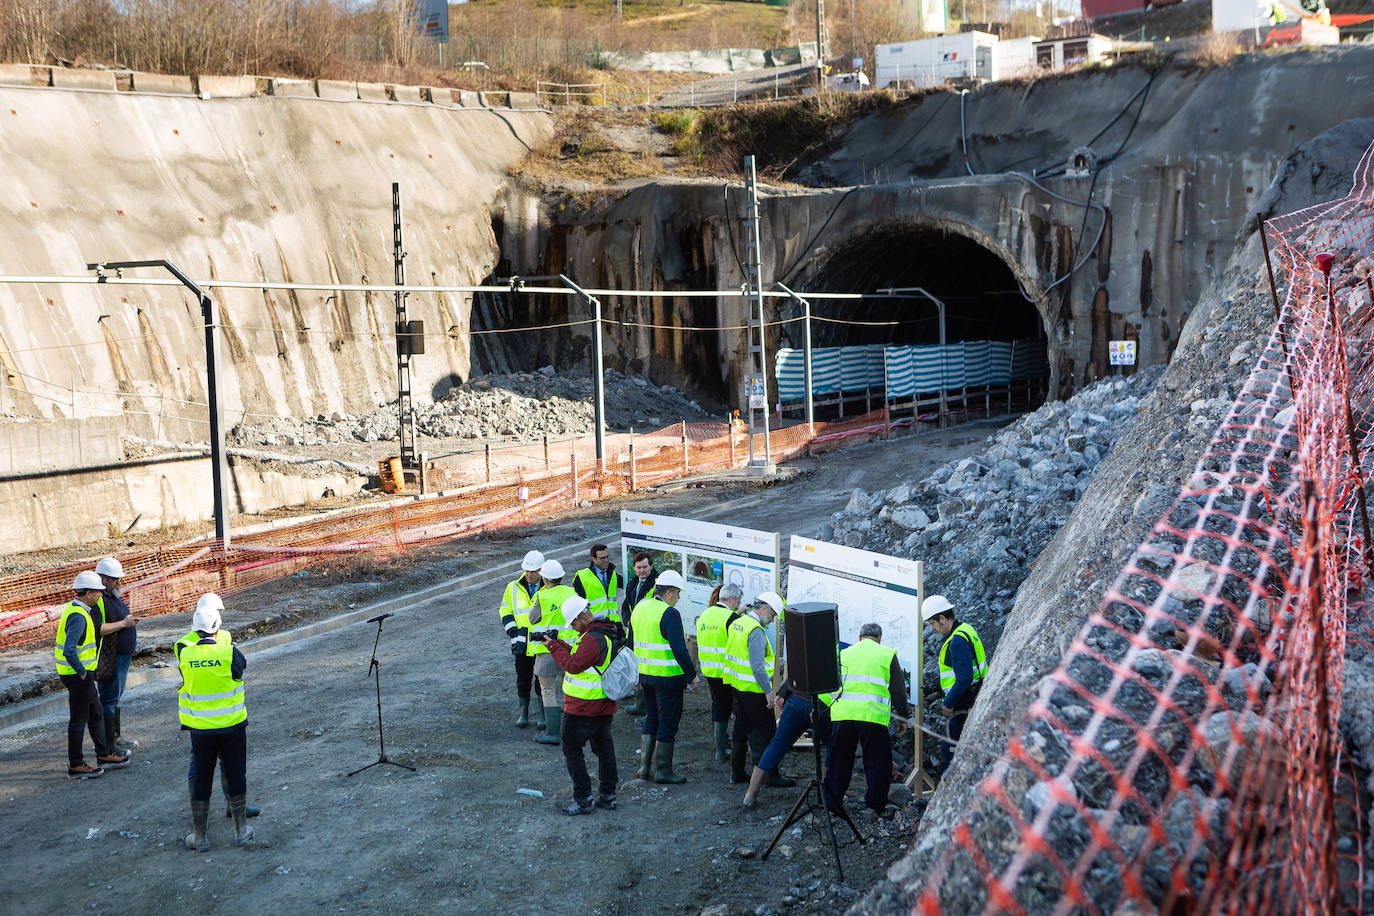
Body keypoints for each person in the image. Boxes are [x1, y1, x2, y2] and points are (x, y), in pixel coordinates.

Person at [176, 593, 253, 850]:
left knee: (200, 777)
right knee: (235, 773)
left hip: (201, 729)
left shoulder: (185, 654)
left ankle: (200, 838)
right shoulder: (229, 651)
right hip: (232, 725)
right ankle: (241, 832)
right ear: (217, 626)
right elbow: (241, 668)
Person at [821, 623, 909, 815]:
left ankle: (832, 804)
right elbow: (898, 691)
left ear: (859, 638)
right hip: (872, 716)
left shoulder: (844, 654)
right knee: (877, 761)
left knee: (839, 761)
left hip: (843, 716)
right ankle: (876, 805)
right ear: (879, 638)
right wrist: (903, 718)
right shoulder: (886, 654)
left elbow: (828, 686)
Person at [544, 595, 619, 815]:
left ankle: (584, 799)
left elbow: (574, 664)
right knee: (604, 749)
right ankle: (608, 795)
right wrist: (557, 643)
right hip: (601, 704)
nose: (574, 628)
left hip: (583, 706)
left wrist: (553, 649)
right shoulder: (597, 633)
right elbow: (580, 657)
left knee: (572, 748)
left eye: (575, 623)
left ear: (582, 617)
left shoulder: (591, 639)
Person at [56, 571, 131, 779]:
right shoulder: (79, 617)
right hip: (77, 675)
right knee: (79, 719)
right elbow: (69, 650)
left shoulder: (78, 610)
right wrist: (81, 672)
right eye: (97, 592)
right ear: (88, 593)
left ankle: (103, 754)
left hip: (80, 674)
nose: (100, 595)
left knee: (96, 712)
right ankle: (76, 764)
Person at [629, 569, 698, 783]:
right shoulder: (669, 614)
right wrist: (691, 676)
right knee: (668, 721)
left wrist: (635, 674)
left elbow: (631, 642)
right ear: (668, 593)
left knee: (652, 717)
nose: (678, 598)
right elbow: (679, 649)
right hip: (668, 678)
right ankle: (663, 771)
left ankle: (644, 768)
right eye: (677, 593)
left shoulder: (640, 607)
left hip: (645, 675)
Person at [921, 595, 988, 772]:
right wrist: (934, 688)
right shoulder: (965, 629)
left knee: (949, 749)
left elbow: (964, 678)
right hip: (974, 694)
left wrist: (948, 703)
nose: (932, 628)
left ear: (942, 619)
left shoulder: (957, 641)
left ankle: (947, 790)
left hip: (962, 703)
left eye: (932, 623)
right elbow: (957, 671)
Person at [724, 591, 783, 788]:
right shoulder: (755, 630)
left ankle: (737, 773)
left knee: (741, 729)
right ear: (764, 609)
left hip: (738, 686)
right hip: (754, 690)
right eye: (773, 615)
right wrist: (768, 692)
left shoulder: (738, 623)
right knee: (769, 733)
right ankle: (771, 775)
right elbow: (757, 666)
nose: (773, 620)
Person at [529, 558, 576, 746]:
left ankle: (552, 733)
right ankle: (572, 730)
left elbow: (533, 619)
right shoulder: (572, 593)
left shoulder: (542, 596)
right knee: (569, 689)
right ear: (562, 577)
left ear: (546, 580)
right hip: (568, 648)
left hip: (547, 648)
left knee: (548, 690)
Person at [696, 582, 744, 763]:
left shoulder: (706, 614)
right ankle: (722, 750)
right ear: (731, 599)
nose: (739, 605)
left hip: (709, 670)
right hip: (726, 672)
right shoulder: (731, 618)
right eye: (738, 601)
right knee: (726, 708)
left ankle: (720, 744)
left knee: (718, 705)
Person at [94, 556, 137, 753]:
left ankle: (116, 738)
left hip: (122, 655)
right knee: (109, 699)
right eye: (114, 579)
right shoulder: (98, 600)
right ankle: (109, 745)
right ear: (102, 578)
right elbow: (97, 628)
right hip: (111, 657)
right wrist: (123, 624)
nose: (118, 582)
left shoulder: (113, 596)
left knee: (115, 697)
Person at [500, 550, 545, 728]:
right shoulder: (512, 587)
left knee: (542, 679)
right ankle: (523, 713)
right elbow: (505, 610)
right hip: (521, 642)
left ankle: (543, 715)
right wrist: (513, 631)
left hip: (542, 643)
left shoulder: (548, 587)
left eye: (533, 571)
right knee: (523, 679)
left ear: (541, 570)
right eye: (526, 570)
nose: (529, 574)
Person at [620, 552, 657, 718]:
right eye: (639, 567)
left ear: (651, 566)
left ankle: (649, 709)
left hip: (647, 633)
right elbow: (626, 605)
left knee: (647, 668)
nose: (642, 570)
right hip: (633, 632)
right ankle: (640, 704)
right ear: (634, 568)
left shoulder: (656, 585)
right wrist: (627, 620)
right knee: (636, 667)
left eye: (645, 567)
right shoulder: (633, 583)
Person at [573, 543, 622, 624]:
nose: (606, 560)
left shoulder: (611, 573)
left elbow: (628, 584)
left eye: (607, 556)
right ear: (593, 559)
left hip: (613, 622)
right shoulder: (581, 577)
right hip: (594, 625)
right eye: (602, 558)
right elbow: (578, 607)